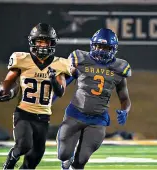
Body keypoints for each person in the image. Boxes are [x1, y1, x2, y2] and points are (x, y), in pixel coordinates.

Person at [0, 23, 71, 169]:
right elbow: (9, 81)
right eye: (39, 41)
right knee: (23, 145)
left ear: (52, 43)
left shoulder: (60, 64)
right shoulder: (22, 59)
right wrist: (4, 90)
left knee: (35, 158)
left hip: (43, 117)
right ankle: (11, 159)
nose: (42, 45)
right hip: (24, 113)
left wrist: (53, 79)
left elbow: (60, 92)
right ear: (32, 42)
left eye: (45, 41)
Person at [55, 28, 132, 170]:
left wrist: (125, 110)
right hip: (75, 114)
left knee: (80, 162)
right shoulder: (80, 59)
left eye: (106, 47)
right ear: (92, 45)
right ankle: (66, 160)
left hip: (97, 120)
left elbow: (124, 97)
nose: (102, 50)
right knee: (63, 155)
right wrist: (51, 98)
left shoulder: (119, 68)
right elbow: (64, 81)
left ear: (113, 49)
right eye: (99, 46)